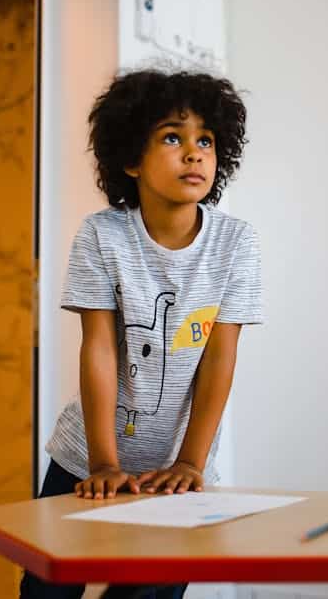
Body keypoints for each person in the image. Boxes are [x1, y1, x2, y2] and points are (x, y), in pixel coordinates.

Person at [20, 69, 263, 599]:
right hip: (84, 455)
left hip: (177, 465)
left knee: (149, 593)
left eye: (206, 140)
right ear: (131, 158)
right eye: (173, 137)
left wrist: (191, 463)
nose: (194, 153)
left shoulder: (235, 245)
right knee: (46, 589)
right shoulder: (102, 235)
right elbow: (100, 349)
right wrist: (103, 462)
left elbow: (220, 358)